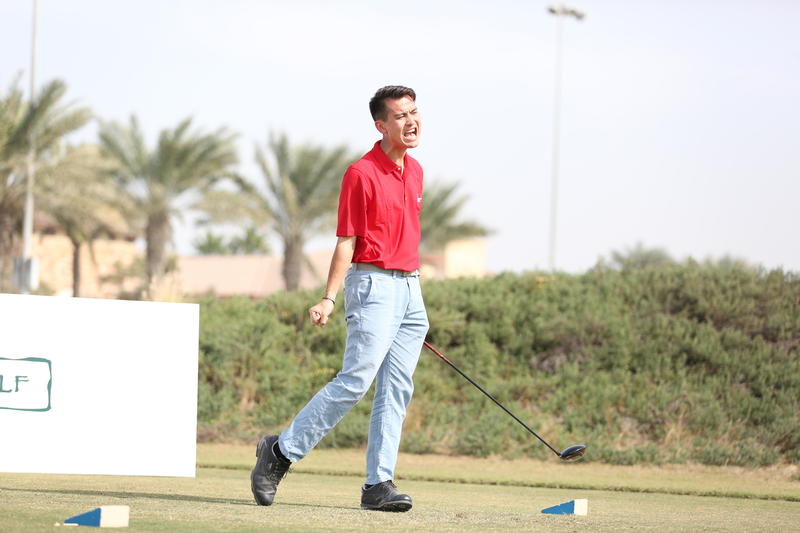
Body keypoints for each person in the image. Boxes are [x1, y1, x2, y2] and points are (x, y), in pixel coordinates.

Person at [251, 85, 429, 512]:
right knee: (355, 381)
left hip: (410, 290)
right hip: (373, 286)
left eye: (414, 113)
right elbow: (347, 241)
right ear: (381, 125)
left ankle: (378, 484)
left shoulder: (417, 171)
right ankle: (280, 452)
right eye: (400, 116)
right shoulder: (360, 173)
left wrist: (408, 297)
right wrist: (329, 298)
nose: (411, 122)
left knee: (396, 390)